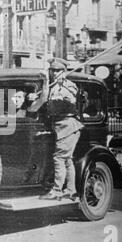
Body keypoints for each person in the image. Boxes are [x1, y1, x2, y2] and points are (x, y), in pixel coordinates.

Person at [38, 58, 84, 200]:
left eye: (58, 70)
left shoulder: (69, 85)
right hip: (59, 126)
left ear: (64, 71)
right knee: (67, 160)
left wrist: (61, 88)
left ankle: (57, 190)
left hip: (67, 125)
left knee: (59, 158)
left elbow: (71, 100)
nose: (55, 73)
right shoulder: (50, 86)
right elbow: (43, 101)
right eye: (53, 70)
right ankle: (70, 190)